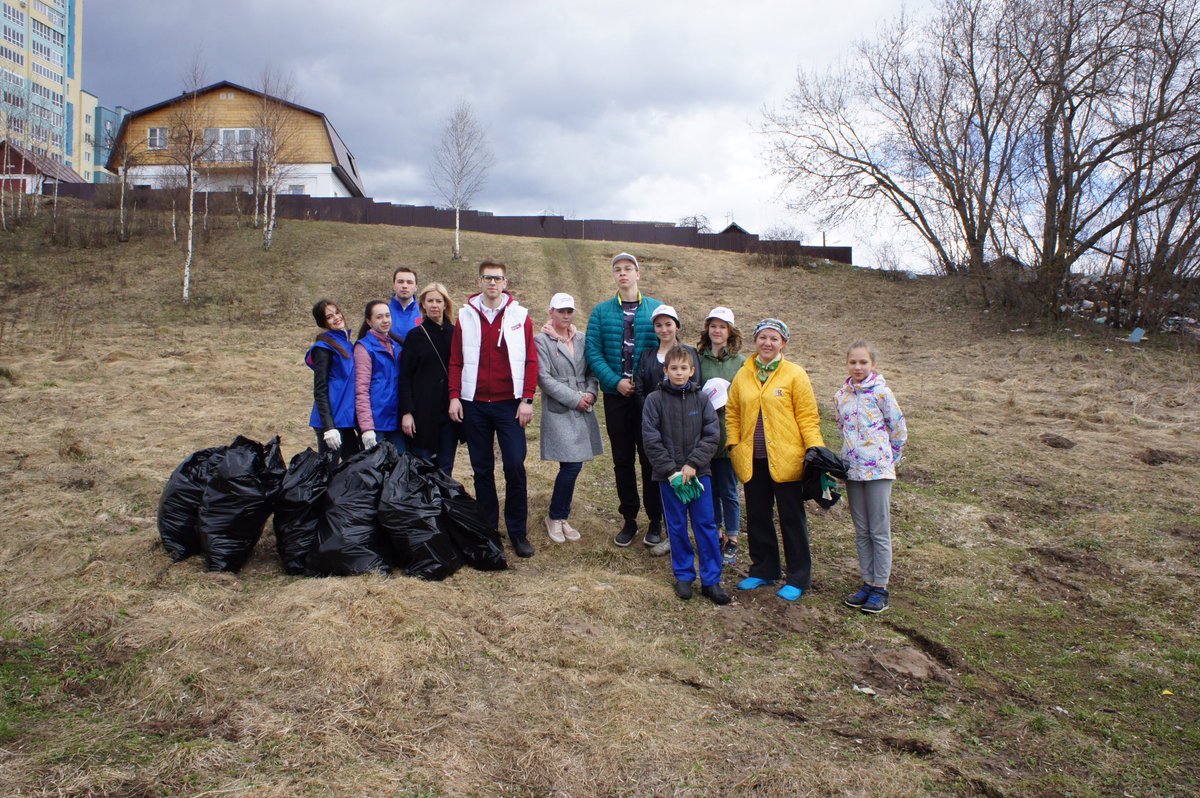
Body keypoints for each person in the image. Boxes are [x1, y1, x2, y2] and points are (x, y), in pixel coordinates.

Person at [725, 319, 825, 602]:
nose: (767, 343)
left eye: (774, 338)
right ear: (755, 341)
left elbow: (807, 416)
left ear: (784, 343)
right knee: (757, 516)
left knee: (791, 518)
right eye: (763, 337)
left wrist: (815, 449)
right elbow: (732, 411)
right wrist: (733, 444)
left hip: (787, 459)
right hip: (752, 458)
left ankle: (798, 576)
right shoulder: (744, 373)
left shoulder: (795, 374)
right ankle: (764, 568)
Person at [449, 259, 539, 559]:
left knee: (514, 466)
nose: (492, 283)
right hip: (474, 405)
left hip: (509, 405)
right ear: (479, 282)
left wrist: (527, 399)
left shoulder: (520, 315)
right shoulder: (465, 315)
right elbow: (456, 360)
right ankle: (489, 530)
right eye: (487, 278)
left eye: (497, 278)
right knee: (482, 469)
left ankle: (517, 532)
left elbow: (530, 360)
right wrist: (454, 396)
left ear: (505, 282)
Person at [585, 252, 665, 549]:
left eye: (628, 269)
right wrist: (614, 381)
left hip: (649, 399)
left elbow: (666, 346)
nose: (622, 274)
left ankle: (656, 519)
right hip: (616, 396)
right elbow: (593, 352)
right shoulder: (601, 312)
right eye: (617, 269)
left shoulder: (656, 309)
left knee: (650, 458)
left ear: (637, 274)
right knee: (622, 460)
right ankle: (629, 518)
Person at [642, 345, 730, 605]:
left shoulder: (702, 399)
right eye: (674, 368)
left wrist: (693, 464)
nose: (679, 373)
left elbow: (712, 434)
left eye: (684, 368)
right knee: (677, 525)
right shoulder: (654, 400)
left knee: (705, 524)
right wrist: (671, 471)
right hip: (669, 477)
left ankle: (711, 580)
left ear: (692, 371)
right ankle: (683, 575)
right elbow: (651, 438)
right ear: (665, 370)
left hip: (698, 473)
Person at [835, 340, 908, 614]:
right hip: (854, 472)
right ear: (847, 363)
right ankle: (867, 582)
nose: (858, 367)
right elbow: (842, 430)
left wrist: (889, 460)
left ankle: (881, 587)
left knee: (879, 530)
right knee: (862, 530)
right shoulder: (841, 395)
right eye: (853, 362)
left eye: (863, 362)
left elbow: (898, 430)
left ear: (873, 364)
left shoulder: (882, 394)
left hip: (878, 472)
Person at [534, 292, 603, 543]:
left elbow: (592, 371)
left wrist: (591, 394)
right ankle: (555, 516)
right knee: (571, 464)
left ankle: (561, 517)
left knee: (574, 464)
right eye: (561, 310)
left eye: (569, 311)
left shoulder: (583, 339)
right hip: (561, 409)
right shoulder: (541, 341)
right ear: (550, 311)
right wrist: (576, 398)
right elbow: (544, 379)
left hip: (583, 406)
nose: (565, 315)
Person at [696, 307, 746, 565]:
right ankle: (715, 532)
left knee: (728, 489)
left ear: (730, 332)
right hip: (704, 435)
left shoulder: (740, 362)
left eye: (722, 327)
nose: (717, 331)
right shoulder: (698, 358)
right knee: (709, 488)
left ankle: (733, 538)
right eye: (713, 326)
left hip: (729, 434)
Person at [398, 283, 461, 475]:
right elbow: (405, 377)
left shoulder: (455, 333)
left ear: (445, 304)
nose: (434, 305)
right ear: (423, 305)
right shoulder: (414, 336)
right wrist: (407, 412)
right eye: (430, 301)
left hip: (448, 411)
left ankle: (444, 504)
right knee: (422, 467)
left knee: (446, 467)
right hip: (423, 412)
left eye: (438, 301)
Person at [305, 299, 361, 466]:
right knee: (327, 471)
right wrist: (329, 427)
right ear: (323, 323)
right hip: (330, 422)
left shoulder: (346, 343)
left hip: (345, 420)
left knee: (356, 465)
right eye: (330, 317)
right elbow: (320, 389)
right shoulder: (324, 347)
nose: (336, 318)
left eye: (337, 312)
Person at [353, 300, 404, 450]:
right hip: (376, 421)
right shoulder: (364, 348)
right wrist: (367, 427)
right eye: (379, 317)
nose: (385, 320)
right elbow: (361, 390)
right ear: (369, 321)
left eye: (387, 316)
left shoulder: (395, 345)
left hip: (395, 419)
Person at [388, 267, 423, 341]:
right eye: (400, 282)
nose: (405, 286)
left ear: (416, 287)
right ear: (393, 285)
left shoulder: (424, 314)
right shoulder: (382, 313)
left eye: (409, 282)